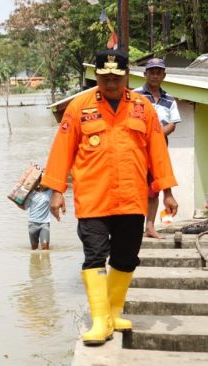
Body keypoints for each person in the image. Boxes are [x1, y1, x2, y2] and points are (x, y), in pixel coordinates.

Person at [41, 49, 178, 347]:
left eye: (116, 77)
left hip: (131, 198)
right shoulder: (80, 107)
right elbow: (61, 150)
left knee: (126, 258)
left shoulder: (142, 108)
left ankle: (114, 313)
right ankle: (99, 320)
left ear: (127, 76)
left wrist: (167, 191)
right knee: (94, 256)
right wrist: (56, 192)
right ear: (97, 76)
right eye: (105, 77)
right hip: (93, 199)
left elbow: (157, 152)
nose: (111, 83)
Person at [133, 58, 182, 238]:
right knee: (135, 187)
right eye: (151, 72)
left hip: (159, 149)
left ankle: (150, 226)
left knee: (154, 188)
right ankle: (133, 227)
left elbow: (172, 124)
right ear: (145, 74)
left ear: (163, 75)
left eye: (158, 72)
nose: (154, 75)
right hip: (137, 149)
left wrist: (156, 136)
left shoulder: (169, 99)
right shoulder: (134, 95)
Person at [19, 183, 53, 250]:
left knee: (45, 247)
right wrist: (15, 201)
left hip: (45, 223)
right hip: (32, 223)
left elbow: (59, 190)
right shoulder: (31, 193)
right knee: (34, 248)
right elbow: (24, 207)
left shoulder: (50, 192)